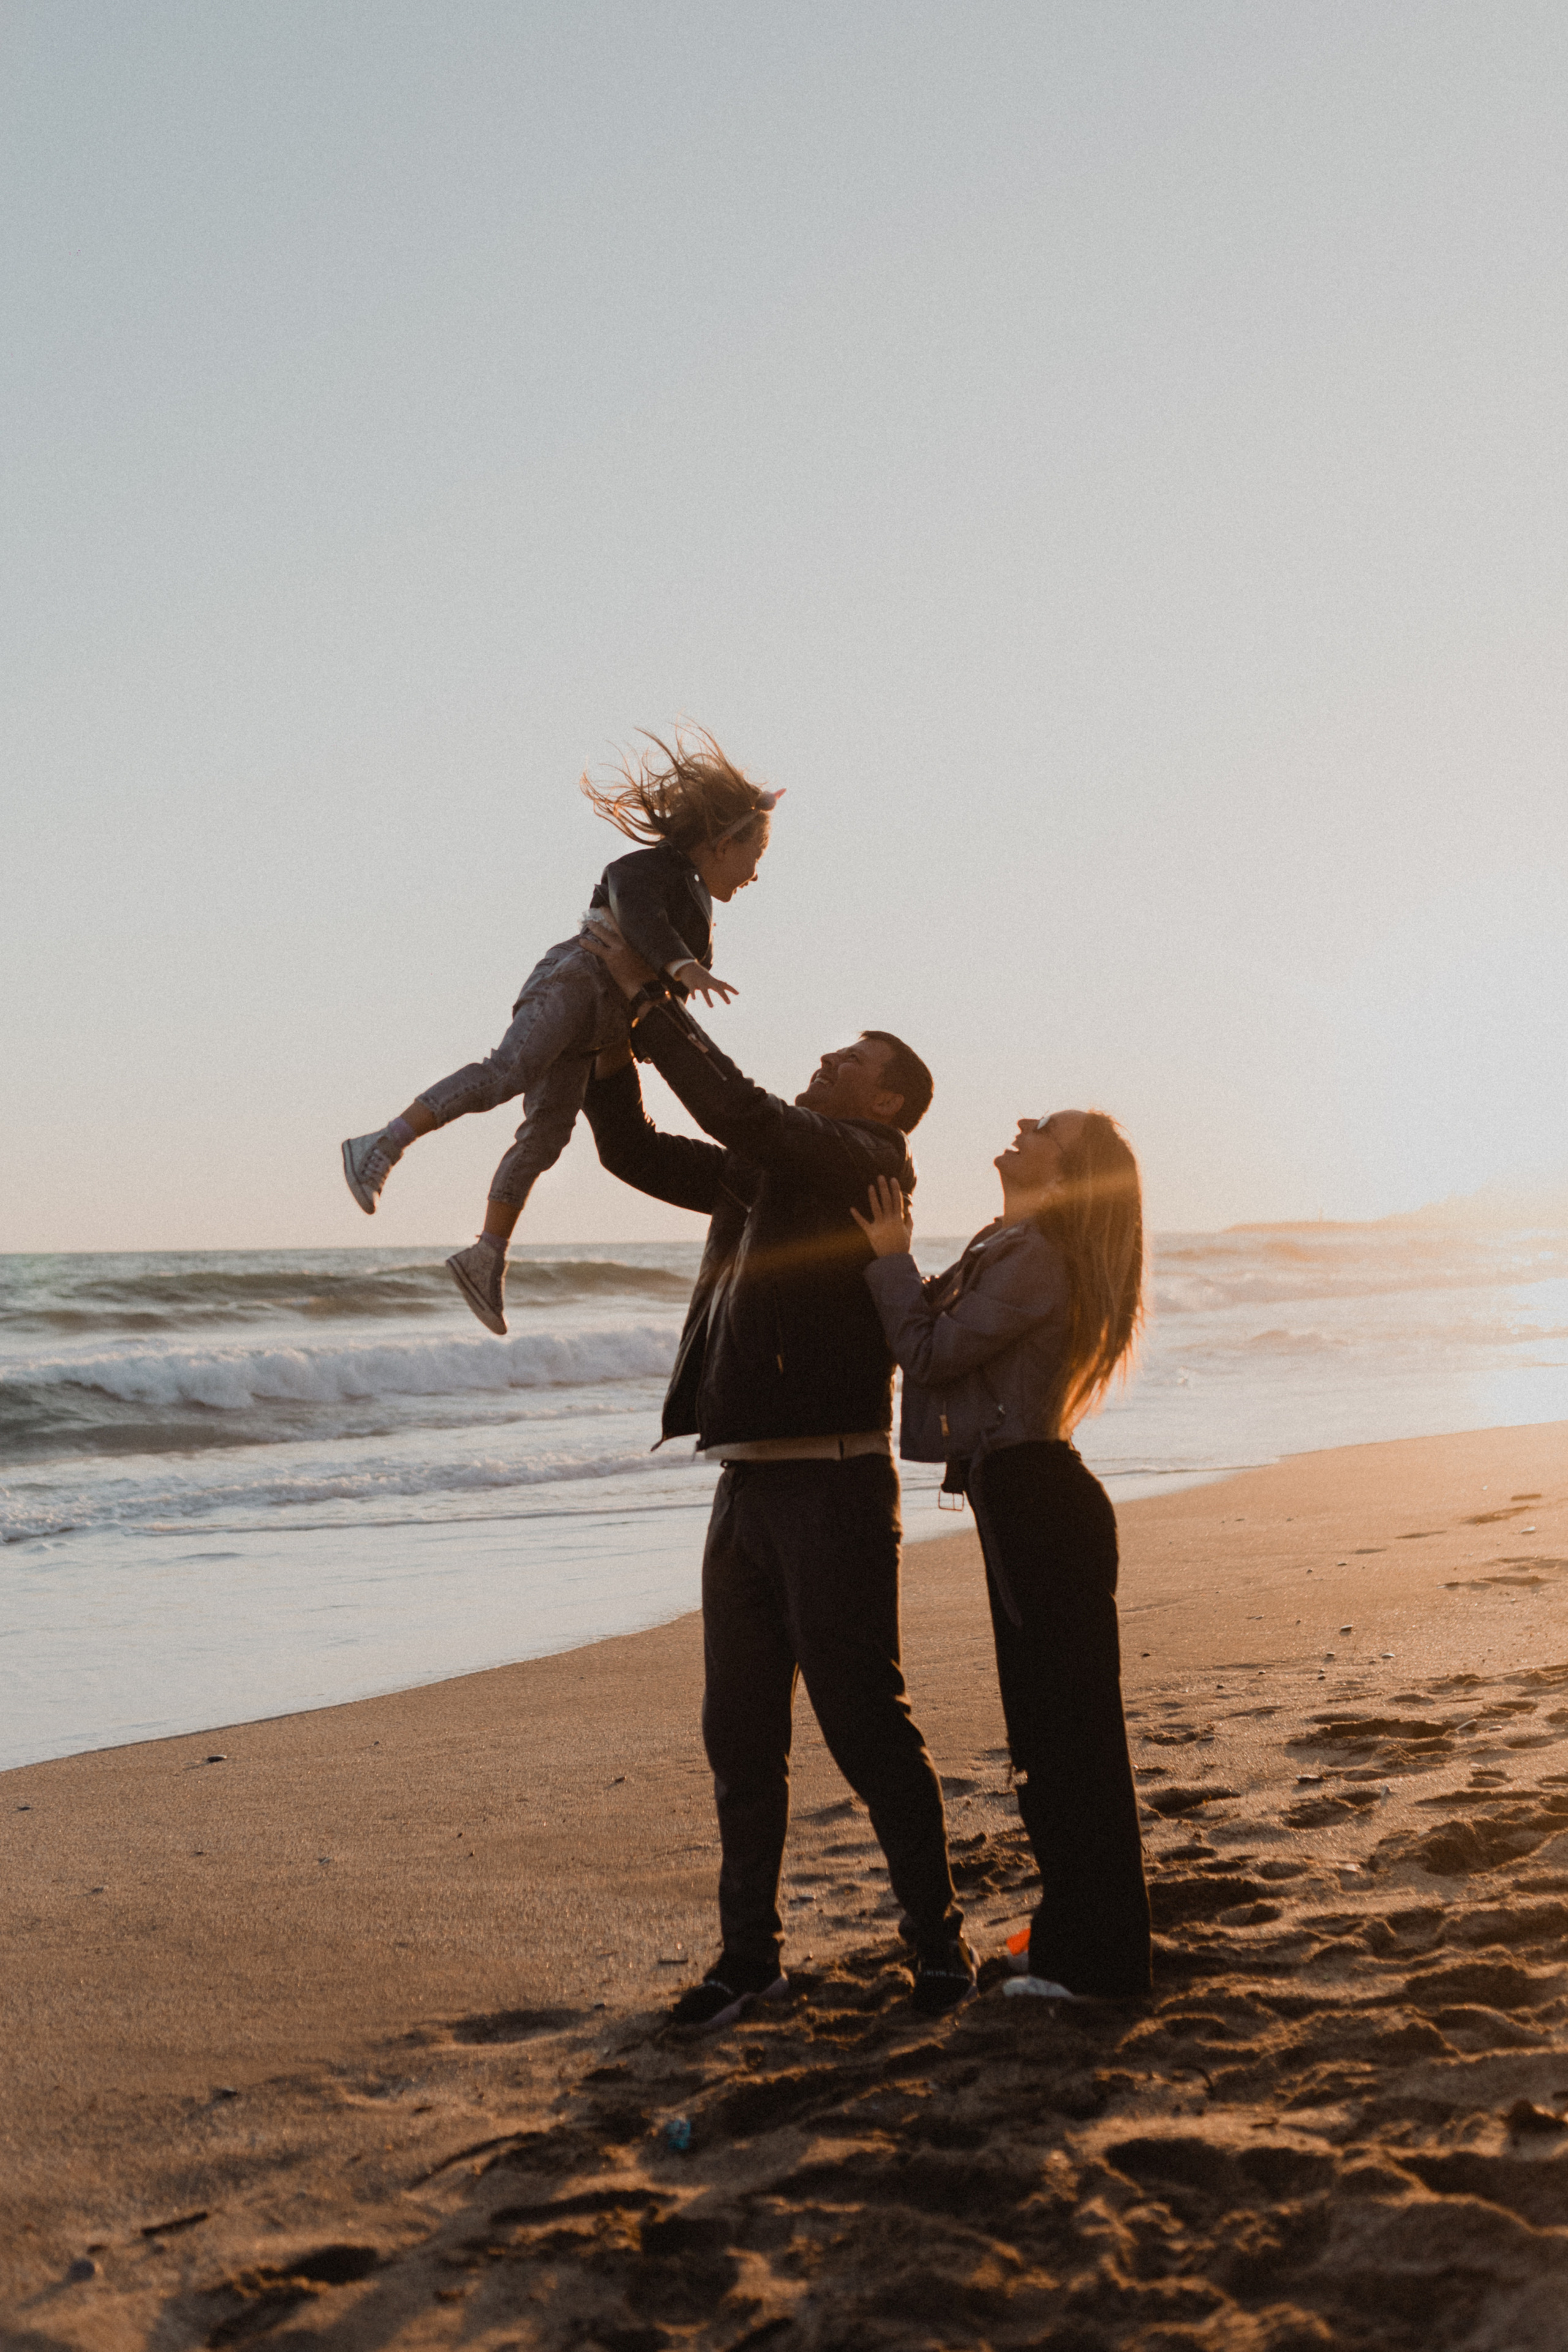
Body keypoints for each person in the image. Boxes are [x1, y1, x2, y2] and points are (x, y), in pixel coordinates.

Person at [581, 974, 974, 2026]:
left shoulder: (864, 1163)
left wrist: (649, 1009)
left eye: (854, 1061)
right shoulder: (770, 1173)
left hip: (834, 1483)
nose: (830, 1062)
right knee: (739, 1733)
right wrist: (601, 1048)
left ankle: (938, 1941)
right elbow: (637, 1152)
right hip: (745, 1483)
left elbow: (739, 1109)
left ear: (888, 1103)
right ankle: (750, 1960)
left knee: (863, 1725)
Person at [850, 1109, 1152, 2002]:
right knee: (1055, 1737)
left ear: (1067, 1178)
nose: (1022, 1124)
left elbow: (928, 1349)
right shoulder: (1017, 1243)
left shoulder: (1034, 1256)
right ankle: (1075, 1936)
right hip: (1028, 1500)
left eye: (1045, 1127)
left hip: (1035, 1505)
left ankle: (1096, 1964)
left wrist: (890, 1256)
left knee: (1065, 1742)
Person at [339, 729, 780, 1335]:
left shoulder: (698, 910)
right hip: (576, 982)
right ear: (723, 842)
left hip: (603, 1026)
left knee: (546, 1137)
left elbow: (658, 991)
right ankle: (380, 1144)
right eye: (756, 852)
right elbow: (640, 916)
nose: (757, 871)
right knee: (507, 1072)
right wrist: (681, 966)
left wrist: (663, 994)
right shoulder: (646, 870)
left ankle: (485, 1255)